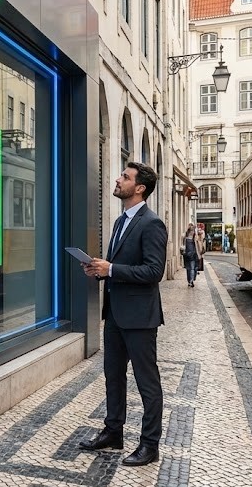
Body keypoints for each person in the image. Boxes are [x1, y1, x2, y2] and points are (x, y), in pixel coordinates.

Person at [79, 162, 167, 467]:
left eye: (124, 177)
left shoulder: (152, 223)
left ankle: (150, 444)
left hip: (141, 318)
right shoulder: (119, 222)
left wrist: (112, 268)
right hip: (115, 314)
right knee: (112, 377)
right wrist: (99, 270)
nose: (117, 180)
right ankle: (113, 432)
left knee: (147, 382)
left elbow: (154, 271)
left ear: (139, 188)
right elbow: (121, 268)